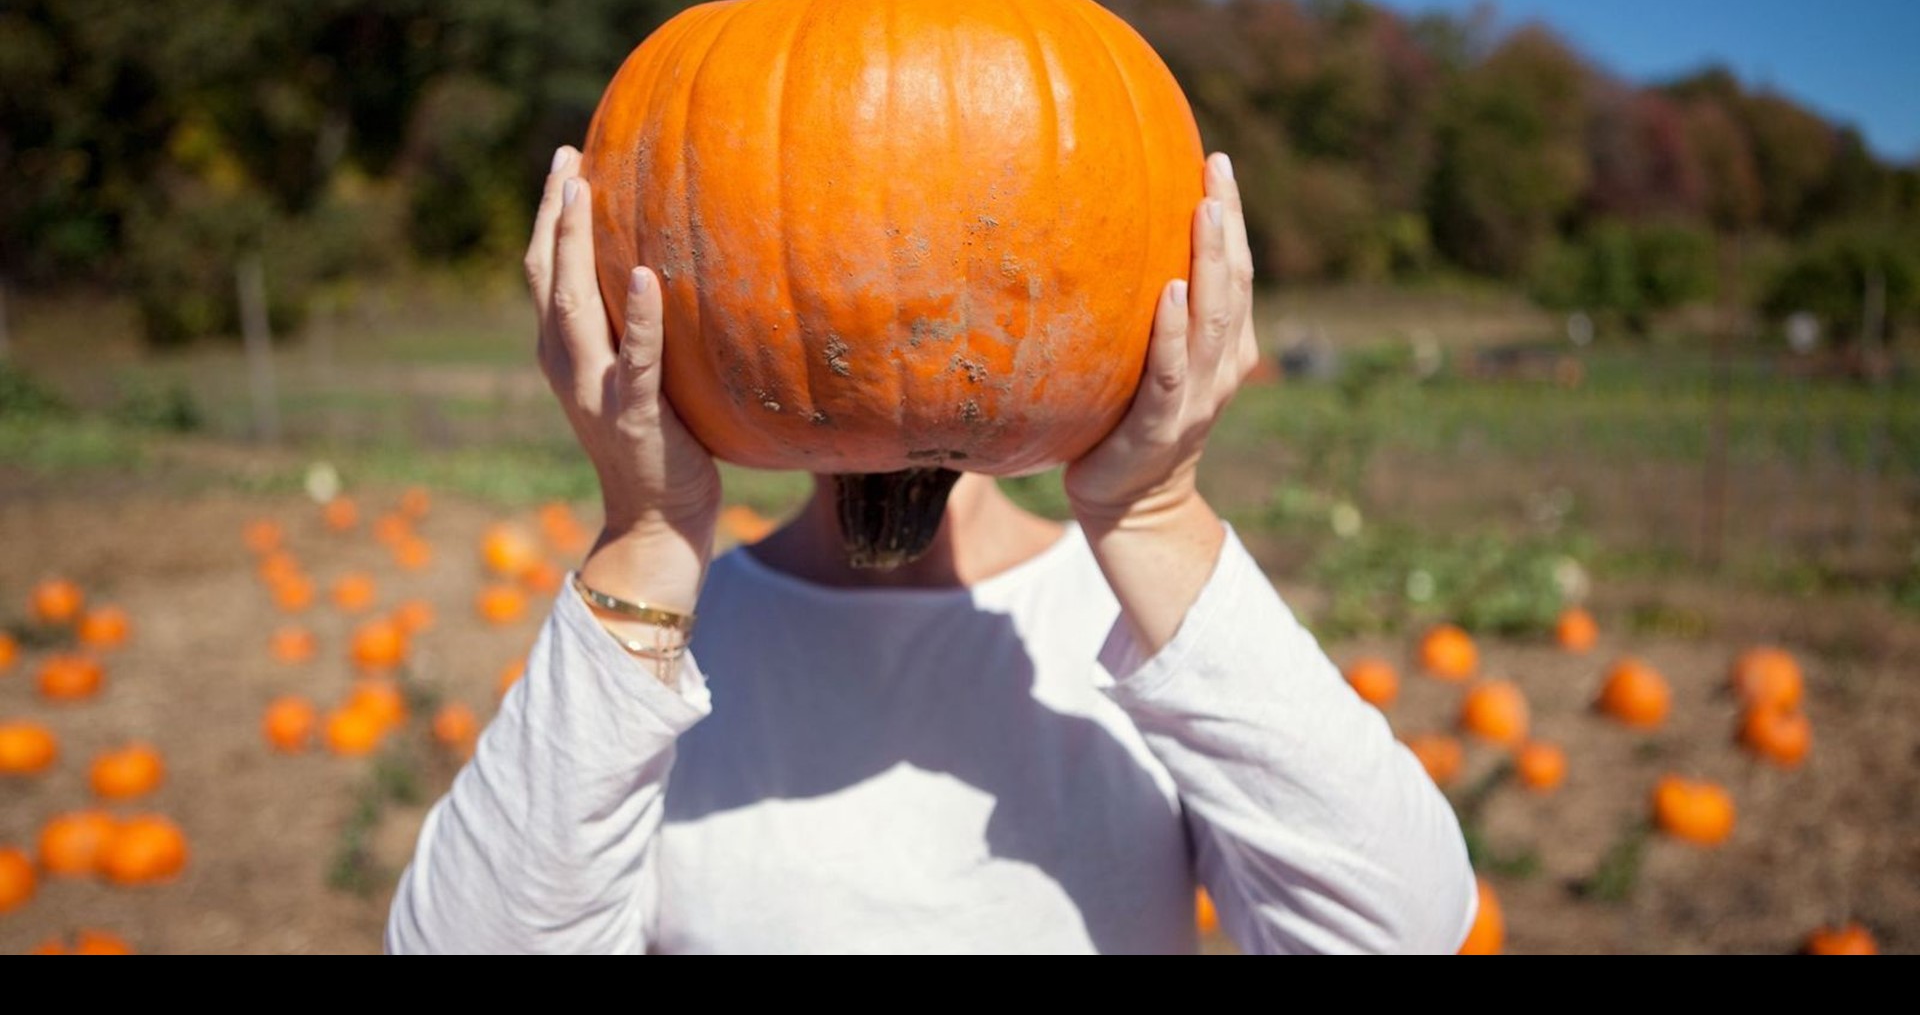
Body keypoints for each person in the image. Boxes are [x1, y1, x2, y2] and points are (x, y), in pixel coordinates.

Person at [385, 146, 1476, 955]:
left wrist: (1154, 511)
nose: (901, 293)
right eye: (827, 236)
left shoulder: (1145, 631)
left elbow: (1398, 932)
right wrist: (648, 533)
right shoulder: (655, 659)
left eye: (967, 223)